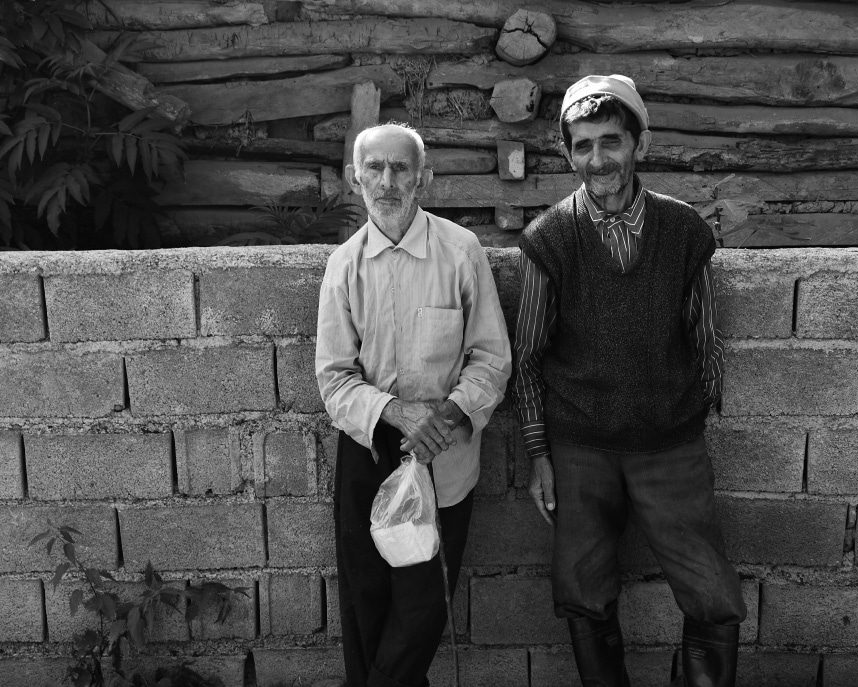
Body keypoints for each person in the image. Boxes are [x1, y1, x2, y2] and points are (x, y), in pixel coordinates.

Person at [514, 75, 746, 687]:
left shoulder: (684, 230)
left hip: (670, 445)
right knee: (583, 592)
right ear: (568, 154)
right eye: (583, 146)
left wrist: (685, 414)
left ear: (639, 143)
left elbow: (705, 337)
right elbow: (528, 356)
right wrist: (539, 452)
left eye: (611, 141)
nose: (598, 159)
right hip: (579, 447)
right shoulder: (548, 239)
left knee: (711, 593)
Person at [316, 123, 512, 687]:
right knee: (366, 604)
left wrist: (445, 416)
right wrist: (396, 412)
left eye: (401, 168)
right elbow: (334, 378)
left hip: (443, 454)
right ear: (355, 179)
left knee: (421, 609)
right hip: (368, 451)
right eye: (374, 168)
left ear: (424, 178)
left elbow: (491, 359)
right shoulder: (344, 266)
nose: (387, 181)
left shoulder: (461, 252)